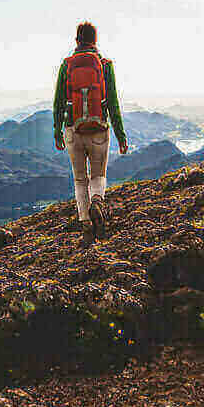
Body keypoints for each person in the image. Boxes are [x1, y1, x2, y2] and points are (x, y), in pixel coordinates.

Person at [53, 22, 128, 246]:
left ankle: (86, 225)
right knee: (98, 176)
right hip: (99, 130)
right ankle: (97, 201)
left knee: (79, 179)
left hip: (72, 130)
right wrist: (121, 135)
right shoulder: (105, 65)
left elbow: (58, 102)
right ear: (95, 40)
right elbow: (113, 103)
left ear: (77, 40)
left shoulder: (67, 65)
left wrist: (57, 131)